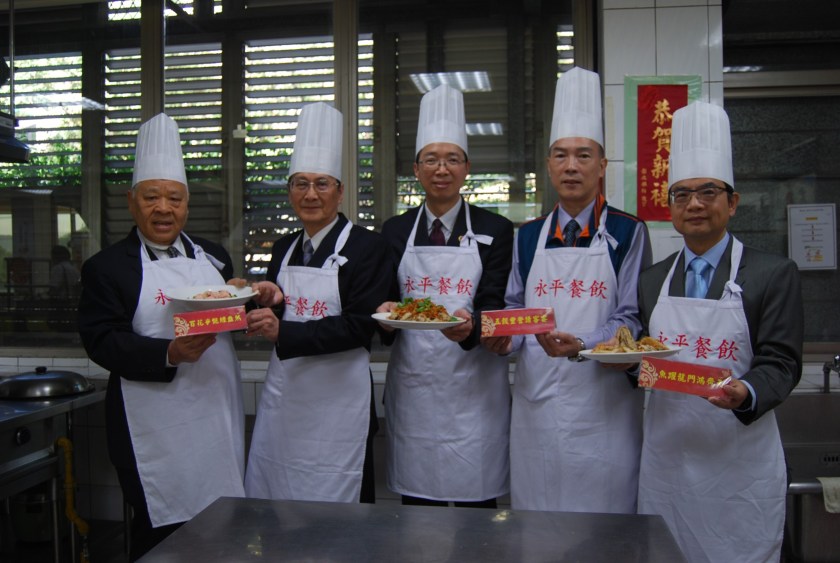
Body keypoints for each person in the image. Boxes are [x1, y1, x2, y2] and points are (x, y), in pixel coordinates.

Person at [636, 100, 803, 563]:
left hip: (738, 463)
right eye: (682, 194)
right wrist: (619, 362)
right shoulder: (653, 279)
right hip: (669, 459)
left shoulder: (772, 273)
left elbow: (782, 362)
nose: (694, 204)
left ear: (732, 203)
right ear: (670, 207)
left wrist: (746, 391)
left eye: (708, 192)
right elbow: (644, 358)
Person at [483, 67, 652, 513]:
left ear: (602, 166)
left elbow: (631, 319)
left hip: (604, 407)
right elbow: (516, 308)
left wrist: (582, 343)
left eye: (583, 155)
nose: (571, 166)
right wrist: (503, 339)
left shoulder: (627, 231)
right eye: (560, 155)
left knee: (603, 524)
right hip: (537, 404)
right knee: (539, 523)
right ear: (549, 165)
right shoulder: (527, 235)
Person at [78, 113, 246, 561]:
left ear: (186, 203)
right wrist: (168, 352)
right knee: (163, 535)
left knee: (221, 524)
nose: (163, 208)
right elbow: (101, 340)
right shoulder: (107, 268)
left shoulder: (214, 257)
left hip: (215, 413)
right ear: (132, 201)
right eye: (151, 197)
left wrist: (253, 300)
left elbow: (224, 316)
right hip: (152, 424)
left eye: (174, 197)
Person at [242, 102, 389, 504]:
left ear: (340, 191)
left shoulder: (368, 247)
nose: (310, 194)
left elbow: (360, 325)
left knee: (344, 516)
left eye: (322, 184)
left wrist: (283, 330)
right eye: (300, 184)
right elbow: (281, 309)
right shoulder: (284, 248)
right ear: (289, 191)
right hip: (287, 402)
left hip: (340, 406)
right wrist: (266, 301)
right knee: (282, 506)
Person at [377, 84, 513, 508]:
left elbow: (496, 299)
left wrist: (473, 328)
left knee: (477, 513)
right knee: (418, 514)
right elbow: (386, 301)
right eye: (431, 160)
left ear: (466, 168)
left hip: (475, 387)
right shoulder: (394, 230)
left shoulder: (496, 229)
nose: (442, 169)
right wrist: (384, 315)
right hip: (415, 385)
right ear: (416, 170)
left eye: (452, 159)